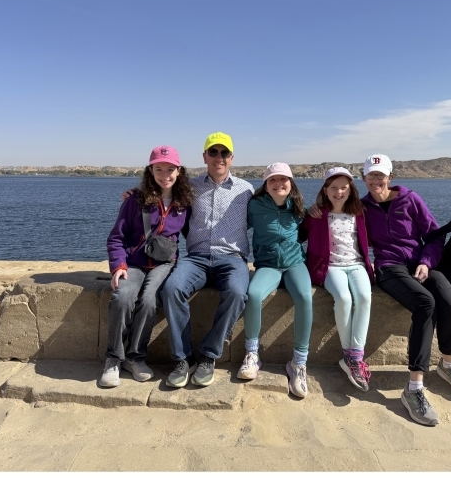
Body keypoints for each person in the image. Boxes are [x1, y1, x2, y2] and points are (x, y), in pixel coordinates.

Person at [360, 153, 451, 426]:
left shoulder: (410, 200)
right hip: (389, 267)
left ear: (390, 177)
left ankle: (449, 365)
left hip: (420, 262)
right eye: (371, 175)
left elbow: (435, 236)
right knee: (426, 303)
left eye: (381, 175)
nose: (376, 180)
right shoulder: (361, 207)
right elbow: (335, 216)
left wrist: (426, 262)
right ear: (363, 177)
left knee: (448, 300)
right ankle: (413, 389)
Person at [159, 132, 254, 388]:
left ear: (232, 158)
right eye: (213, 152)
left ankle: (209, 355)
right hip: (197, 258)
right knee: (171, 288)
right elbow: (161, 191)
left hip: (231, 258)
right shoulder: (189, 186)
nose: (219, 158)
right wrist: (134, 196)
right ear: (204, 156)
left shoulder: (246, 190)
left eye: (224, 153)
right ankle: (183, 358)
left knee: (236, 292)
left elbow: (272, 210)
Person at [101, 145, 193, 388]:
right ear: (150, 171)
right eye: (159, 169)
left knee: (150, 300)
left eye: (170, 169)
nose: (165, 175)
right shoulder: (135, 200)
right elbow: (116, 238)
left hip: (165, 263)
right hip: (134, 262)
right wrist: (118, 265)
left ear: (179, 171)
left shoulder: (184, 201)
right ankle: (113, 359)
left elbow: (195, 231)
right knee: (123, 297)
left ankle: (135, 357)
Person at [237, 163, 313, 398]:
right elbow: (233, 222)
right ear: (266, 185)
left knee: (304, 297)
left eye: (284, 180)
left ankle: (298, 363)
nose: (279, 184)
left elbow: (312, 229)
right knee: (254, 294)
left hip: (294, 264)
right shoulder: (255, 206)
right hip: (268, 265)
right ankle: (252, 355)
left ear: (291, 183)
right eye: (273, 180)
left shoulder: (299, 207)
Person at [300, 167, 374, 392]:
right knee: (343, 299)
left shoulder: (359, 212)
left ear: (351, 189)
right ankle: (349, 355)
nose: (339, 192)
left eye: (344, 187)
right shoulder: (317, 213)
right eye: (334, 187)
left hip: (357, 264)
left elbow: (371, 237)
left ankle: (356, 355)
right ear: (325, 189)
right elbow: (298, 234)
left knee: (363, 297)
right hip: (331, 267)